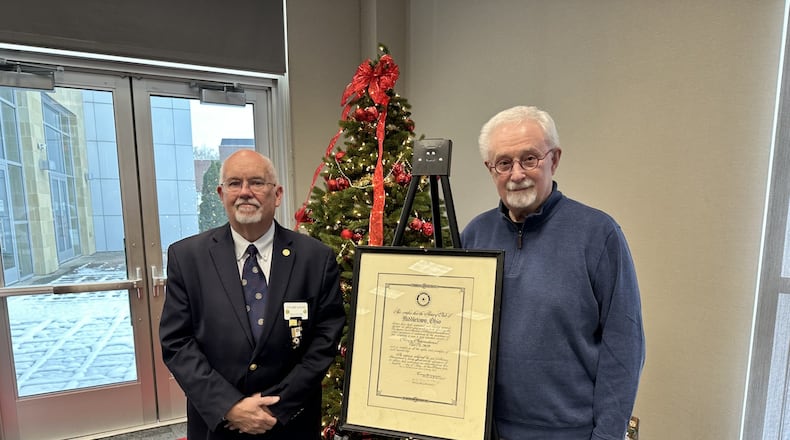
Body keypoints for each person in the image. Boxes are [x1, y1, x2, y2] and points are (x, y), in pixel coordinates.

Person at [461, 106, 645, 440]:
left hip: (569, 432)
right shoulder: (474, 236)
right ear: (491, 170)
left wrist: (607, 435)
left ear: (554, 159)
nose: (517, 174)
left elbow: (625, 345)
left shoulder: (598, 235)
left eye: (529, 158)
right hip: (484, 429)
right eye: (504, 163)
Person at [160, 149, 345, 439]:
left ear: (278, 194)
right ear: (222, 194)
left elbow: (325, 339)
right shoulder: (187, 258)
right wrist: (229, 406)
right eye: (235, 183)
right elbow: (177, 342)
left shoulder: (315, 259)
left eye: (257, 182)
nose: (245, 192)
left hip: (289, 422)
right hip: (217, 423)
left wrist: (276, 407)